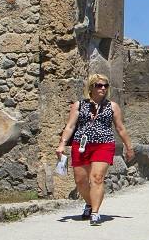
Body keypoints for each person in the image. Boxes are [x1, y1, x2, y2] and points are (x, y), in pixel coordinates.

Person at [56, 73, 134, 225]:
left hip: (104, 144)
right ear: (91, 87)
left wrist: (128, 146)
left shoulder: (112, 106)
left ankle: (95, 213)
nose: (103, 88)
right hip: (81, 145)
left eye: (105, 86)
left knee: (97, 178)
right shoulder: (79, 105)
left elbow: (120, 128)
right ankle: (90, 203)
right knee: (81, 181)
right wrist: (62, 144)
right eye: (99, 85)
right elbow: (70, 126)